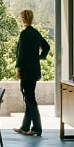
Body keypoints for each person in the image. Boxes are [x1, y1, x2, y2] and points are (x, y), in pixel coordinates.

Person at [14, 9, 50, 137]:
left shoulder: (24, 34)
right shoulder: (35, 33)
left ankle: (37, 128)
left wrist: (19, 69)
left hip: (26, 71)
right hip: (35, 70)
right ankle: (25, 127)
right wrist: (39, 57)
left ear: (22, 19)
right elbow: (46, 47)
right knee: (29, 98)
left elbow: (21, 54)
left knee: (30, 99)